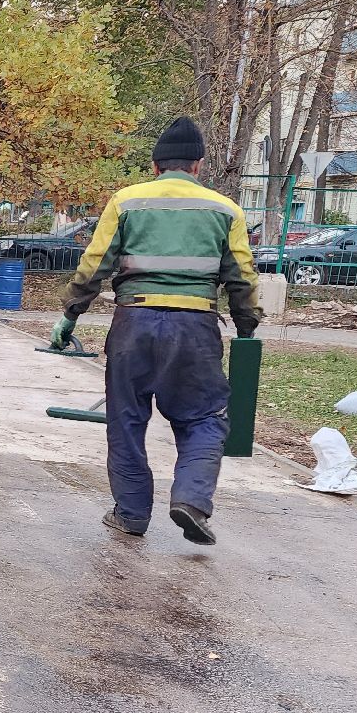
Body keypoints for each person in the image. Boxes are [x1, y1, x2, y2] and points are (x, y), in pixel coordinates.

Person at [51, 117, 262, 546]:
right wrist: (245, 327)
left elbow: (94, 265)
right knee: (204, 417)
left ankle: (131, 514)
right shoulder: (226, 210)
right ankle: (191, 499)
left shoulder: (127, 202)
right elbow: (242, 276)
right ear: (198, 166)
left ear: (155, 166)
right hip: (195, 328)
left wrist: (71, 315)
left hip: (134, 324)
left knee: (126, 419)